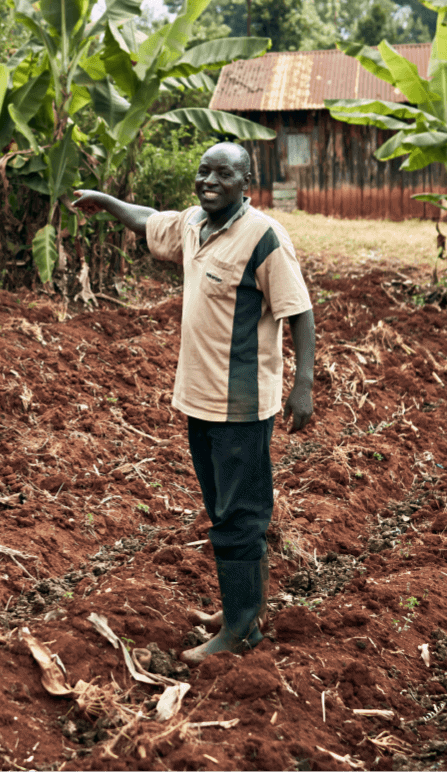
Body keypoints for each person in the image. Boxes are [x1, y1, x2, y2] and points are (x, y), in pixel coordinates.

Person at [71, 141, 315, 663]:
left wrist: (304, 384)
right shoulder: (193, 225)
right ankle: (241, 607)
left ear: (246, 182)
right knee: (222, 508)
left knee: (239, 516)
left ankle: (242, 631)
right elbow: (148, 220)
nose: (209, 180)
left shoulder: (264, 237)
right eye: (203, 171)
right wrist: (106, 201)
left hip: (242, 405)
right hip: (200, 400)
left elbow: (299, 310)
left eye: (222, 174)